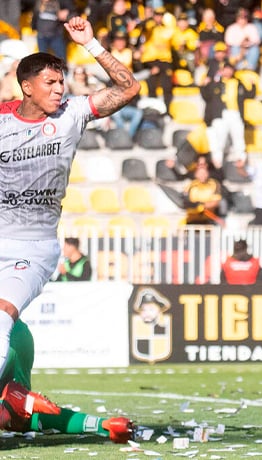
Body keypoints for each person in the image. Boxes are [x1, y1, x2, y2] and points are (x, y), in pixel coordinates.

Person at [0, 16, 139, 401]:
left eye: (62, 82)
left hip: (32, 249)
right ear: (26, 87)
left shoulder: (72, 114)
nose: (60, 89)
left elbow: (129, 88)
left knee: (1, 317)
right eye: (50, 82)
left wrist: (91, 45)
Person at [0, 320, 134, 442]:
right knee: (22, 416)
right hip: (16, 332)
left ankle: (17, 403)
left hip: (9, 335)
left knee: (16, 413)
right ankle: (105, 426)